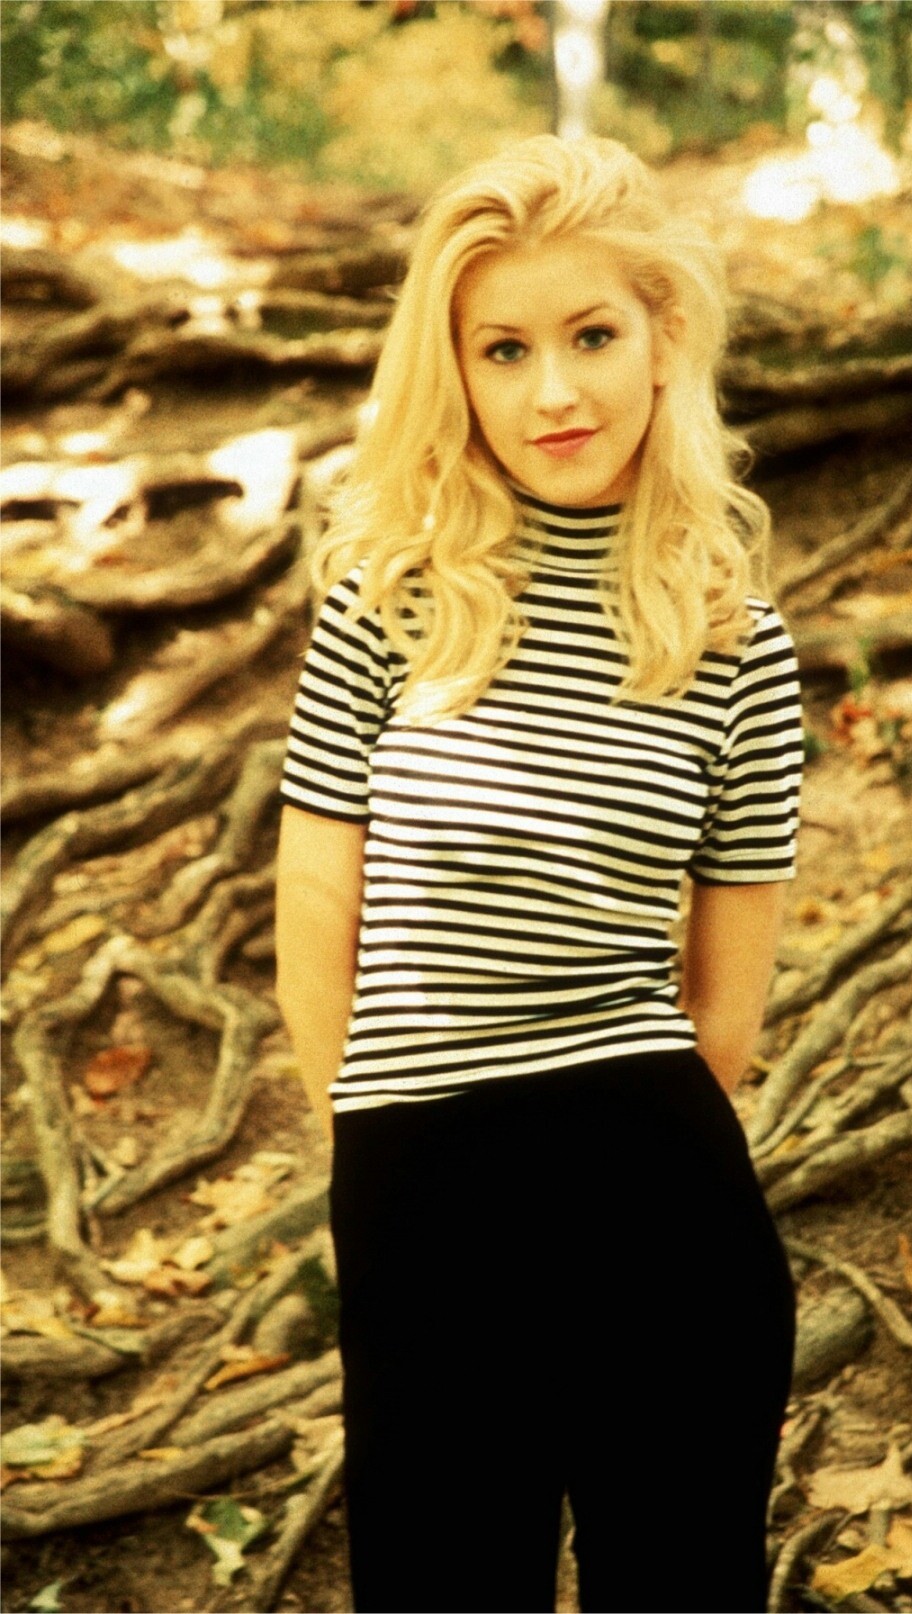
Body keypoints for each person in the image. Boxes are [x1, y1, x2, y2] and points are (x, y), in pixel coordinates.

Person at [275, 133, 803, 1614]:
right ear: (455, 372)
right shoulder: (387, 600)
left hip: (659, 1208)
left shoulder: (733, 639)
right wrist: (374, 1150)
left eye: (592, 335)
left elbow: (726, 1003)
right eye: (504, 349)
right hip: (420, 1193)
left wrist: (609, 1160)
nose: (554, 390)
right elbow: (316, 911)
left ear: (663, 338)